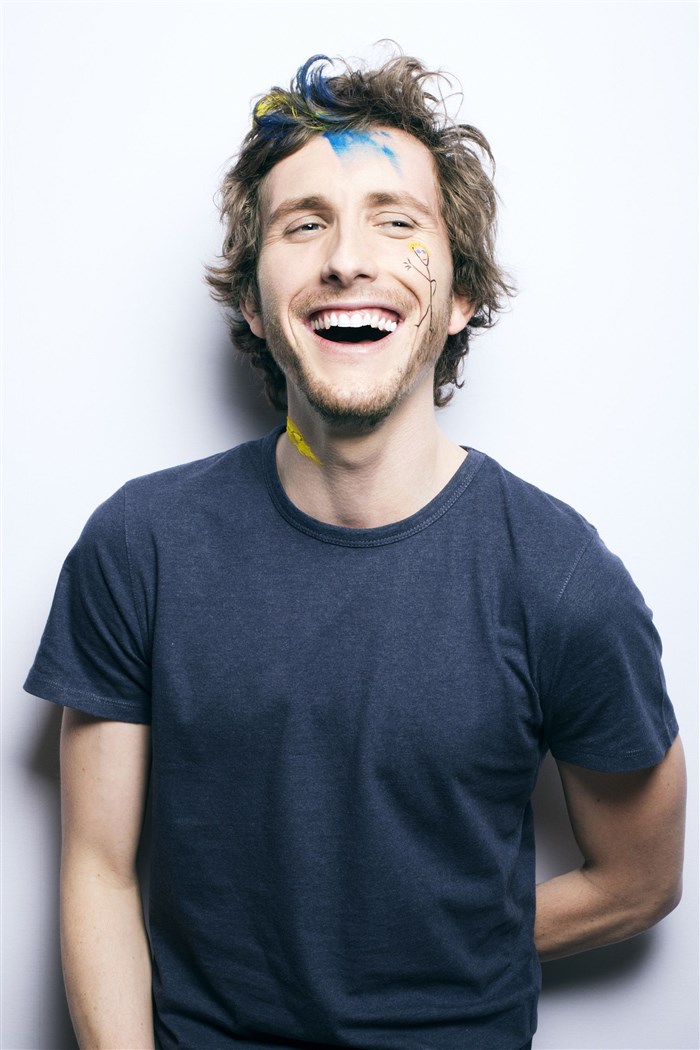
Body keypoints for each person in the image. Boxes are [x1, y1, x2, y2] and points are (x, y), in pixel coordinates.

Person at [25, 52, 686, 1050]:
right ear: (254, 303)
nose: (346, 260)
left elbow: (639, 881)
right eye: (304, 224)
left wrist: (428, 948)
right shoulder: (140, 546)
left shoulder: (560, 579)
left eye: (396, 221)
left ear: (459, 296)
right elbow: (98, 871)